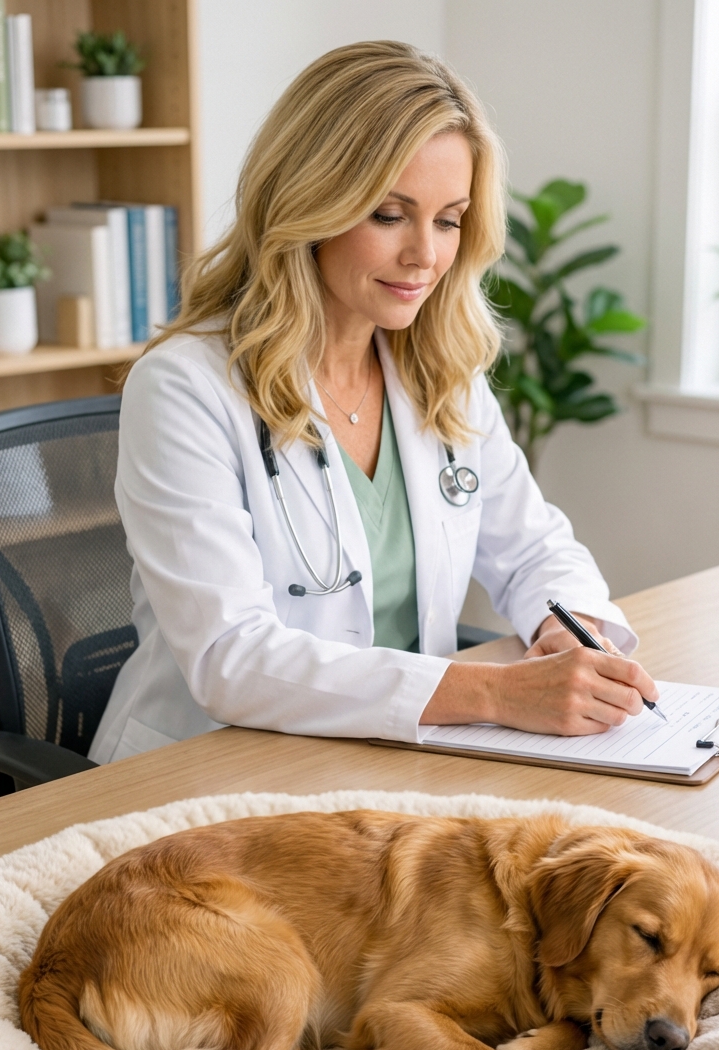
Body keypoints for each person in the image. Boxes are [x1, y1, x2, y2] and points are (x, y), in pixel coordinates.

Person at [89, 40, 659, 765]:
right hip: (209, 768)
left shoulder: (440, 370)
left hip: (393, 759)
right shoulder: (185, 387)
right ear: (309, 204)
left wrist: (569, 630)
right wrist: (496, 693)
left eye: (449, 220)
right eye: (390, 215)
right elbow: (231, 657)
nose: (426, 254)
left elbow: (532, 549)